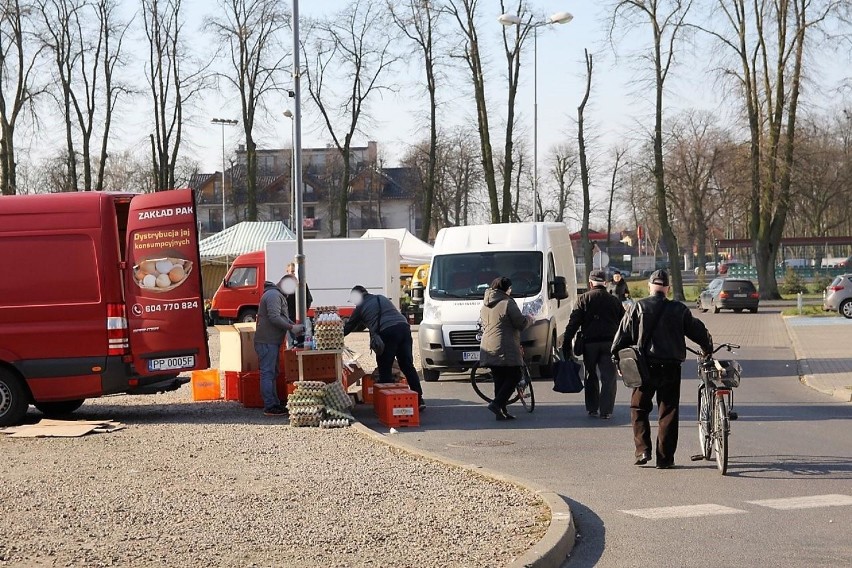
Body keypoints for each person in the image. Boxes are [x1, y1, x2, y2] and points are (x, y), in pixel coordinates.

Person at [611, 270, 713, 469]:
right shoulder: (679, 309)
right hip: (671, 367)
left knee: (639, 408)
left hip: (643, 367)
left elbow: (621, 337)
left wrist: (618, 362)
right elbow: (698, 331)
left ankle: (642, 450)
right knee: (668, 412)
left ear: (650, 286)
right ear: (667, 288)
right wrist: (707, 349)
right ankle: (665, 459)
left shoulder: (638, 307)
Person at [343, 285, 425, 410]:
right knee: (407, 366)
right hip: (403, 328)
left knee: (385, 368)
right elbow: (364, 324)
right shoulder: (381, 298)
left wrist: (334, 337)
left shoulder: (360, 308)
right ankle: (419, 400)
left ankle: (389, 405)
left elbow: (349, 327)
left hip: (387, 331)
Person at [562, 269, 625, 419]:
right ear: (605, 283)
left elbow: (573, 323)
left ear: (590, 283)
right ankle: (606, 410)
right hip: (610, 343)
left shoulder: (583, 299)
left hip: (589, 344)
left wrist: (566, 343)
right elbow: (625, 323)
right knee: (609, 377)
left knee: (590, 375)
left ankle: (592, 407)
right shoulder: (614, 300)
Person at [478, 277, 531, 421]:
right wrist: (530, 319)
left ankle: (501, 411)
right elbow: (520, 323)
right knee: (514, 375)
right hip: (504, 346)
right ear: (506, 289)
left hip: (488, 346)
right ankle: (496, 404)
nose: (511, 290)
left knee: (499, 379)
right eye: (510, 288)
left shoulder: (485, 305)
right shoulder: (507, 303)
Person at [254, 278, 305, 416]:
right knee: (268, 373)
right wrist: (291, 327)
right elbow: (274, 317)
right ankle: (270, 406)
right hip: (267, 341)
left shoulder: (276, 295)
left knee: (272, 373)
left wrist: (293, 326)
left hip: (271, 341)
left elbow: (281, 316)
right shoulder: (273, 296)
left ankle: (274, 403)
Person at [284, 263, 312, 347]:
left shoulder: (302, 284)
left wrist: (303, 312)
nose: (293, 274)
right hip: (289, 319)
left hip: (300, 319)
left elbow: (309, 299)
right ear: (287, 272)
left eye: (295, 272)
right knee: (291, 344)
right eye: (292, 271)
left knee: (301, 343)